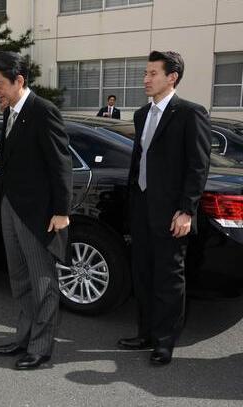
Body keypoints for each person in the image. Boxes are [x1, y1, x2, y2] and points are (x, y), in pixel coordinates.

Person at [118, 51, 211, 365]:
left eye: (152, 73)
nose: (146, 79)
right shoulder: (142, 114)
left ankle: (164, 342)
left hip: (173, 213)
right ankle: (144, 333)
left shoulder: (190, 113)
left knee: (168, 279)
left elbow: (197, 167)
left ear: (172, 77)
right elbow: (140, 159)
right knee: (142, 273)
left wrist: (187, 210)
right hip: (142, 207)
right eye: (145, 73)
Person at [0, 51, 72, 370]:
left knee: (42, 281)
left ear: (19, 80)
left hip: (38, 212)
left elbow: (61, 165)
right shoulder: (9, 112)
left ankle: (40, 347)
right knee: (19, 278)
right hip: (11, 205)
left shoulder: (43, 111)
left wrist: (62, 211)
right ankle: (23, 336)